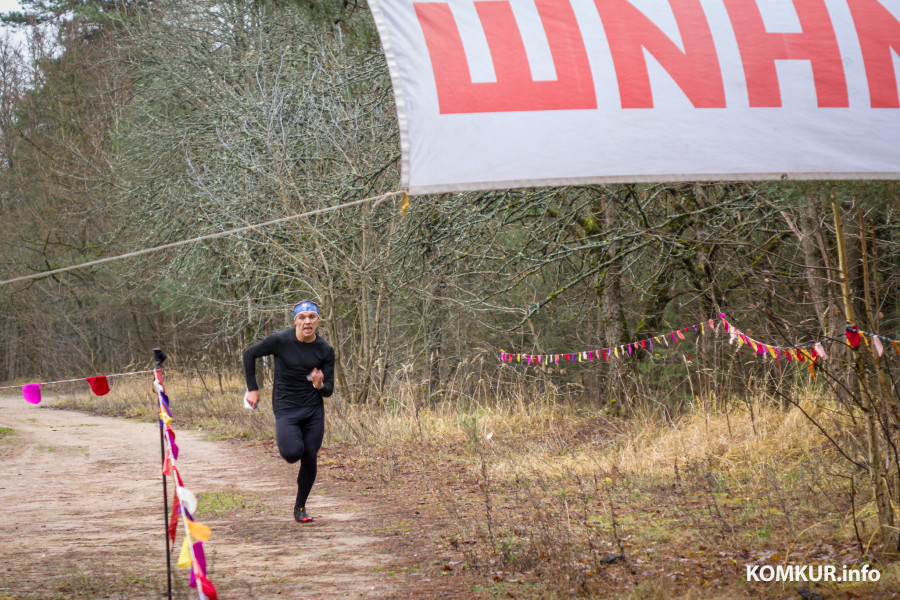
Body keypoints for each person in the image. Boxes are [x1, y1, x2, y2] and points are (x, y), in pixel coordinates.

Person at [242, 300, 335, 523]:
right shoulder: (280, 340)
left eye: (312, 317)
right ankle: (298, 448)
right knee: (292, 453)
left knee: (310, 457)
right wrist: (253, 389)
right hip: (286, 407)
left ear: (318, 321)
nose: (307, 322)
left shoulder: (325, 350)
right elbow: (249, 355)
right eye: (302, 318)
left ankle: (300, 508)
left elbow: (329, 390)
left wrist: (319, 384)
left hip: (313, 409)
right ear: (295, 321)